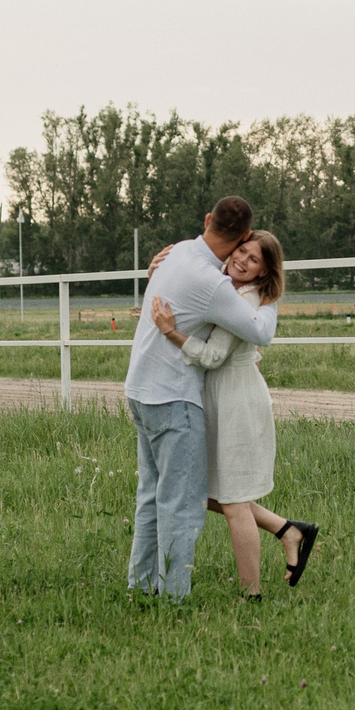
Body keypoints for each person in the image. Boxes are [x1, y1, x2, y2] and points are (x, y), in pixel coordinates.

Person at [122, 197, 279, 601]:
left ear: (206, 219)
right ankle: (173, 596)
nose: (244, 258)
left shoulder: (175, 253)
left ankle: (142, 587)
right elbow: (260, 332)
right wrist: (270, 291)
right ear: (243, 236)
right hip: (173, 397)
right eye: (244, 249)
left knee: (151, 495)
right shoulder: (215, 285)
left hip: (139, 388)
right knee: (182, 503)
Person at [149, 230, 317, 598]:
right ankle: (288, 530)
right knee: (202, 492)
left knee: (234, 502)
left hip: (237, 402)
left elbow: (211, 356)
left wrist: (171, 333)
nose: (242, 260)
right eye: (242, 250)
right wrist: (160, 268)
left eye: (254, 259)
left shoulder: (244, 299)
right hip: (218, 397)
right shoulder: (225, 286)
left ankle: (251, 595)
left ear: (262, 272)